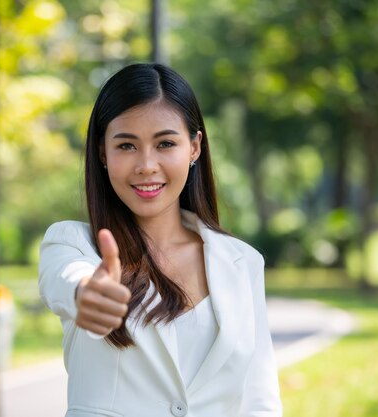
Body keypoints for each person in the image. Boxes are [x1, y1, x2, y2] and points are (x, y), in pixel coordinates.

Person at [39, 63, 282, 417]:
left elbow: (259, 402)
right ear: (103, 152)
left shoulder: (243, 262)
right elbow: (65, 279)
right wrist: (86, 293)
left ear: (195, 147)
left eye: (165, 143)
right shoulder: (73, 244)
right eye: (126, 145)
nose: (147, 165)